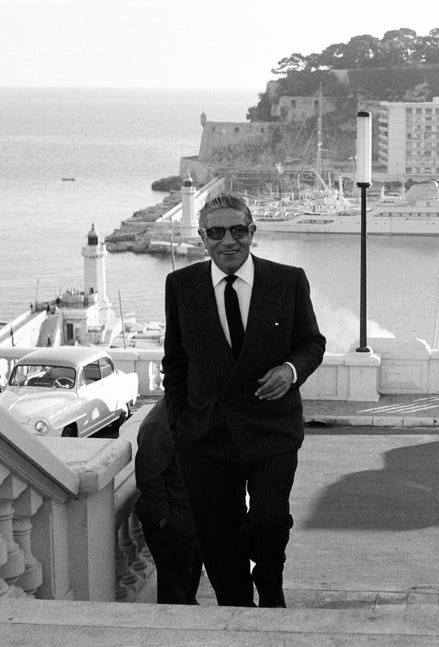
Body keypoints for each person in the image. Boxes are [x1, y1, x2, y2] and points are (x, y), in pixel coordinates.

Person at [162, 193, 326, 608]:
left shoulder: (287, 280)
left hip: (271, 429)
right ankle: (236, 612)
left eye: (238, 230)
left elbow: (311, 342)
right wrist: (180, 424)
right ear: (202, 238)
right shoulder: (181, 285)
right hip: (205, 437)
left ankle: (270, 580)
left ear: (253, 232)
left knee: (269, 522)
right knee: (217, 538)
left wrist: (290, 371)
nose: (228, 241)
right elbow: (175, 361)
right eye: (215, 232)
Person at [134, 397, 203, 605]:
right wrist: (165, 519)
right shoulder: (159, 424)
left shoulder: (183, 412)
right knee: (174, 594)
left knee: (188, 588)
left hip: (189, 521)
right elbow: (148, 479)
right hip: (173, 525)